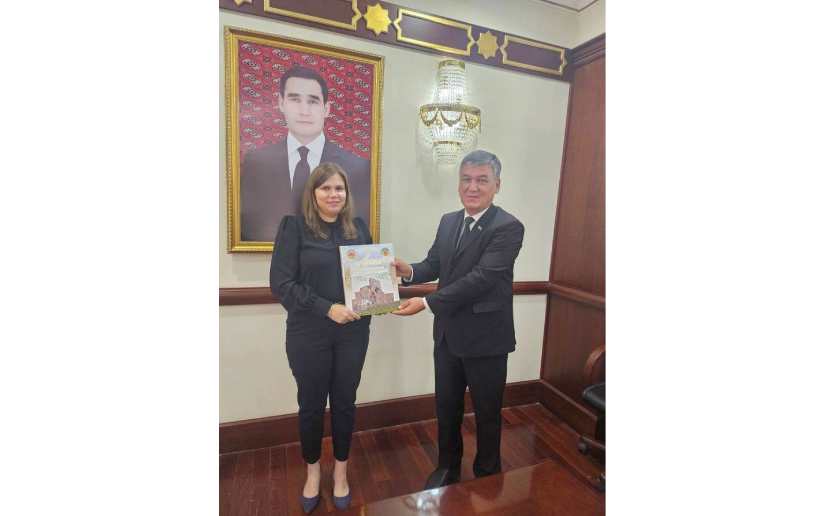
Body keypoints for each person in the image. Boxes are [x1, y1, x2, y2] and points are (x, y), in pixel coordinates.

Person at [393, 149, 525, 489]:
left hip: (487, 339)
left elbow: (481, 278)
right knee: (446, 407)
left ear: (497, 185)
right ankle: (447, 467)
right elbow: (435, 264)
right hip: (448, 336)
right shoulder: (449, 221)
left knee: (487, 412)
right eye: (466, 179)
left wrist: (427, 302)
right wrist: (408, 271)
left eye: (482, 180)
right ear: (458, 183)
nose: (472, 187)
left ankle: (487, 473)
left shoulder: (508, 227)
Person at [270, 162, 372, 513]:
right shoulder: (294, 227)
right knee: (311, 405)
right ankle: (313, 472)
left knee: (345, 402)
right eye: (325, 188)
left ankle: (340, 472)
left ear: (347, 193)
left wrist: (385, 286)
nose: (333, 194)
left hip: (353, 332)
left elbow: (368, 277)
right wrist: (327, 308)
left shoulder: (359, 228)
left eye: (339, 188)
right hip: (308, 333)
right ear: (313, 193)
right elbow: (281, 284)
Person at [242, 66, 372, 242]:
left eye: (313, 101)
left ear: (326, 109)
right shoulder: (257, 162)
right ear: (281, 103)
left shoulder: (359, 167)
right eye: (295, 99)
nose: (304, 111)